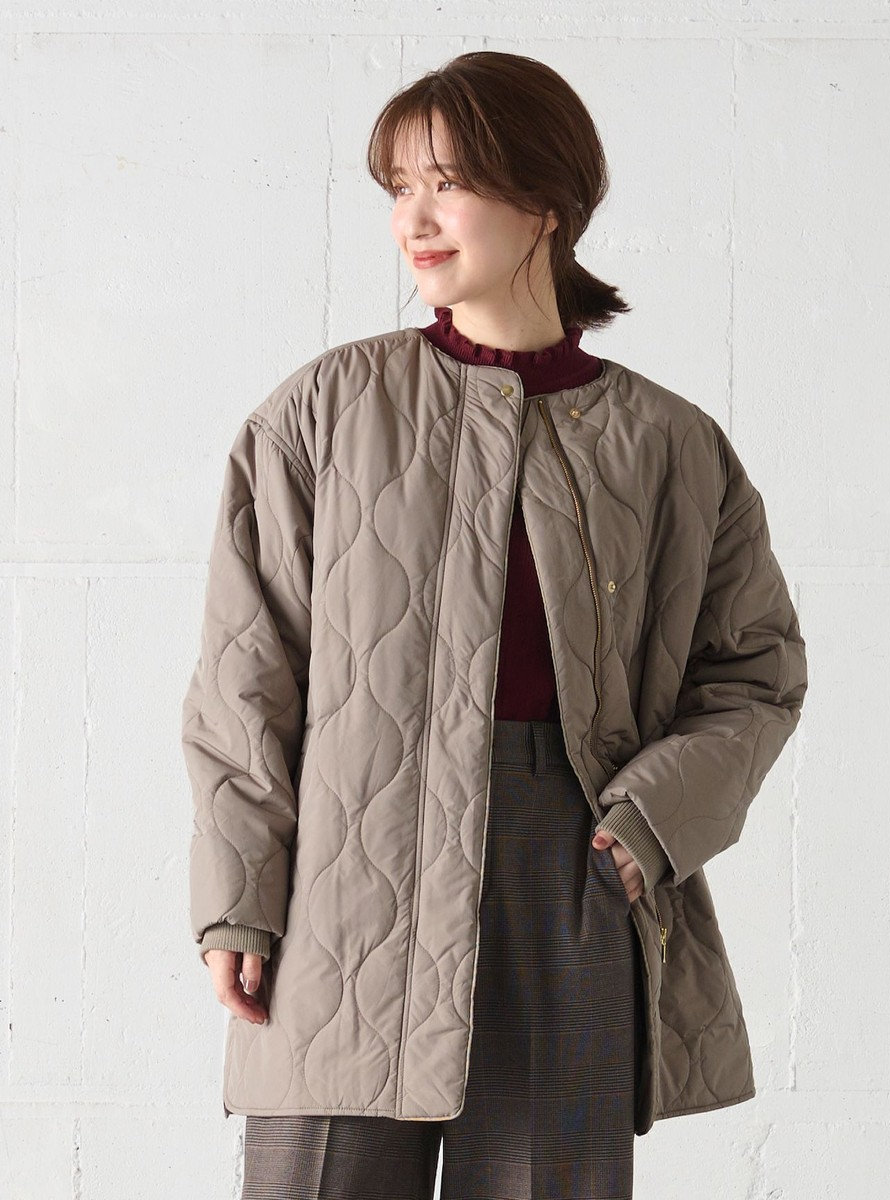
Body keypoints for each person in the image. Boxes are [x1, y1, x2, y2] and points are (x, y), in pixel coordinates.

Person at [181, 50, 808, 1200]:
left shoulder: (671, 446)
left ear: (544, 203)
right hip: (347, 875)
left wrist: (646, 827)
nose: (413, 219)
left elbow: (754, 674)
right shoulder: (322, 413)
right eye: (398, 188)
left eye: (449, 183)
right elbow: (246, 675)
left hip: (570, 866)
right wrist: (239, 896)